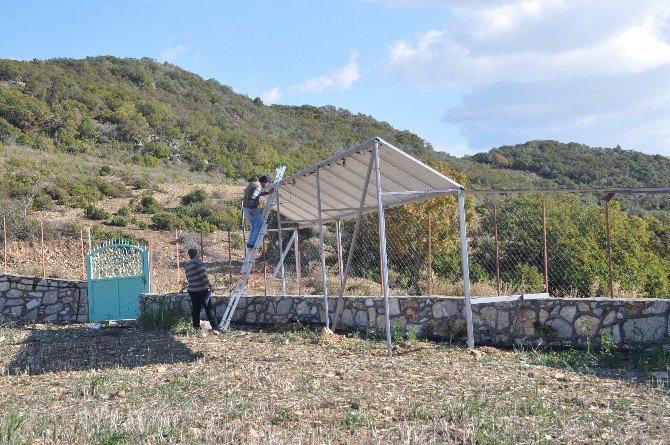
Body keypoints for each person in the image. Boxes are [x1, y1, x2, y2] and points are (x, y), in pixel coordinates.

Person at [184, 247, 221, 331]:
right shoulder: (198, 263)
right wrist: (210, 286)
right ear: (196, 254)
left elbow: (188, 278)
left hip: (191, 290)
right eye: (198, 253)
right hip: (200, 290)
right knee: (208, 308)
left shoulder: (187, 265)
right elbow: (204, 276)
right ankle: (215, 325)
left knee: (196, 309)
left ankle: (196, 327)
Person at [242, 174, 273, 249]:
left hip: (245, 209)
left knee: (254, 225)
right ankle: (252, 243)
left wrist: (267, 193)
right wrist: (252, 207)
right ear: (264, 182)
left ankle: (250, 242)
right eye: (267, 183)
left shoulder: (252, 184)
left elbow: (256, 194)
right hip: (251, 209)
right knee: (259, 224)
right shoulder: (258, 186)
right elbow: (254, 196)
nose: (267, 185)